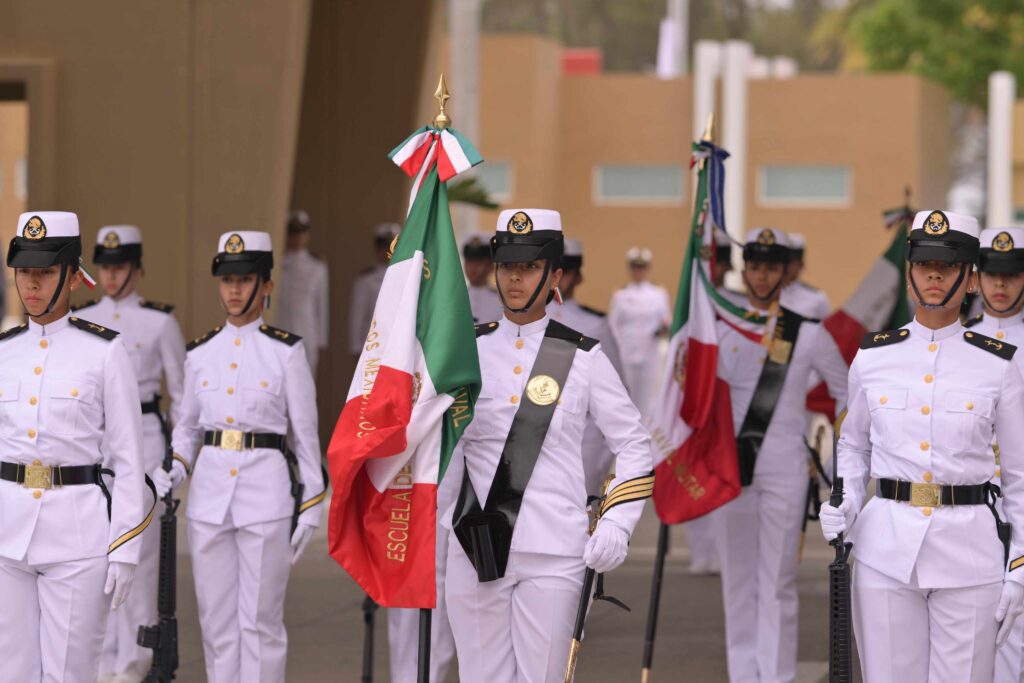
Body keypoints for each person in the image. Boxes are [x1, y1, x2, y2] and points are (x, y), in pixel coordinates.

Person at [444, 208, 655, 682]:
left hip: (554, 550)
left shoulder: (582, 356)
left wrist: (618, 524)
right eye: (507, 266)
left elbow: (636, 445)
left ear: (555, 274)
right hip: (475, 546)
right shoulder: (464, 352)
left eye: (530, 267)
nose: (515, 278)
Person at [819, 211, 1024, 683]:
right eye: (925, 263)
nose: (935, 274)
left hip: (970, 554)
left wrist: (1017, 564)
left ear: (971, 278)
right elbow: (853, 447)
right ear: (910, 274)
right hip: (885, 547)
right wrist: (847, 499)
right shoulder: (873, 356)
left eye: (949, 266)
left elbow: (1016, 477)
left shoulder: (997, 366)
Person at [158, 230, 328, 682]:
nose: (234, 289)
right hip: (211, 496)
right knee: (216, 624)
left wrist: (311, 503)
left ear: (266, 285)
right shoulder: (200, 353)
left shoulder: (286, 353)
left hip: (265, 497)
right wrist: (175, 466)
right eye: (226, 280)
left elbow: (305, 437)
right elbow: (188, 426)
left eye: (245, 279)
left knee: (260, 623)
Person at [0, 211, 151, 682]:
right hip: (7, 535)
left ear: (71, 274)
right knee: (13, 671)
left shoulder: (104, 351)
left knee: (70, 672)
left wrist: (126, 547)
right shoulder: (4, 351)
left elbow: (128, 457)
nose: (32, 284)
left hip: (79, 537)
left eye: (44, 272)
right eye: (25, 271)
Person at [714, 227, 848, 683]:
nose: (763, 275)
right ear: (744, 268)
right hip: (731, 467)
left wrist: (841, 462)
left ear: (785, 272)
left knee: (777, 583)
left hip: (786, 468)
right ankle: (742, 675)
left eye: (772, 267)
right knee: (737, 584)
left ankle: (776, 677)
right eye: (755, 266)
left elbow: (846, 392)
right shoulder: (718, 325)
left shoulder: (806, 332)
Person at [74, 225, 186, 683]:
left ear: (137, 270)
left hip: (144, 439)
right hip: (98, 443)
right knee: (99, 552)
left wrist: (174, 460)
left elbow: (181, 397)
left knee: (138, 553)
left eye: (120, 267)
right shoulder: (83, 320)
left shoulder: (160, 321)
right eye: (105, 266)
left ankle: (137, 657)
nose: (112, 275)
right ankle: (103, 657)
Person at [963, 227, 1024, 682]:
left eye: (1012, 275)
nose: (1000, 285)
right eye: (991, 274)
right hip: (974, 499)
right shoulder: (957, 340)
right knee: (975, 623)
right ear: (976, 277)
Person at [547, 237, 622, 501]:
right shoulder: (526, 322)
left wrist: (600, 460)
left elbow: (616, 398)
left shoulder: (596, 325)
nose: (559, 279)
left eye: (566, 272)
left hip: (582, 447)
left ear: (578, 277)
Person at [608, 247, 671, 417]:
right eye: (635, 267)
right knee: (627, 394)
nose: (639, 271)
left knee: (649, 396)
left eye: (642, 267)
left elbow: (666, 320)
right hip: (626, 351)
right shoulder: (621, 295)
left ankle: (647, 432)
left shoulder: (658, 294)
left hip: (651, 351)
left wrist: (663, 329)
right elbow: (613, 324)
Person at [277, 210, 330, 375]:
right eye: (293, 233)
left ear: (308, 235)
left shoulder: (317, 266)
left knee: (306, 380)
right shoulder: (278, 263)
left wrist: (321, 339)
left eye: (302, 232)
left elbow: (321, 304)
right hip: (280, 327)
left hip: (307, 331)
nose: (298, 237)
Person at [348, 222, 400, 354]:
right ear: (378, 249)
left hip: (398, 345)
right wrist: (356, 347)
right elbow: (358, 315)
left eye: (394, 246)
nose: (390, 250)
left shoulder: (406, 277)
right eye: (386, 246)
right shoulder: (366, 280)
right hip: (373, 345)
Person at [779, 232, 830, 320]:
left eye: (790, 262)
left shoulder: (816, 298)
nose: (785, 266)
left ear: (801, 265)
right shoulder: (765, 294)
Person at [463, 231, 504, 324]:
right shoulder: (454, 299)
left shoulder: (502, 302)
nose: (473, 267)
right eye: (470, 261)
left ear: (490, 265)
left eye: (479, 261)